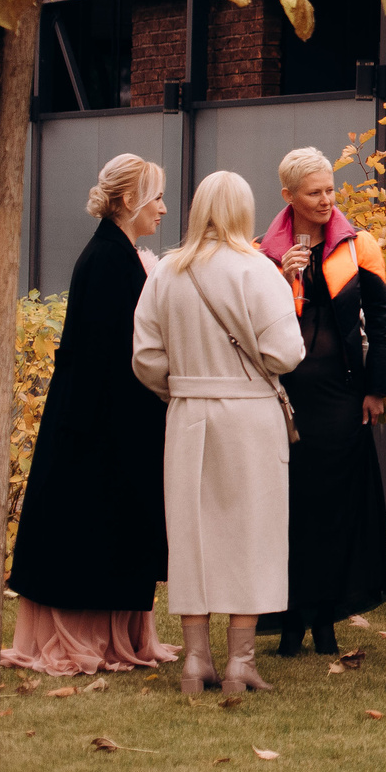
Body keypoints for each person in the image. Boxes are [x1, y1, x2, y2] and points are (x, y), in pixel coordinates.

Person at [133, 169, 306, 695]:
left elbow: (146, 357)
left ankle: (194, 662)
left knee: (193, 536)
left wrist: (183, 387)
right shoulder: (260, 271)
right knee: (251, 535)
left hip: (188, 415)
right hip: (250, 415)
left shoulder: (165, 273)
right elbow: (286, 353)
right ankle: (240, 663)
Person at [5, 154, 179, 675]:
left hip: (108, 419)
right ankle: (88, 637)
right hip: (101, 425)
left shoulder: (116, 254)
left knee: (116, 525)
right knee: (97, 524)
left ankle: (115, 633)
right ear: (128, 201)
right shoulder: (107, 259)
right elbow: (108, 352)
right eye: (156, 198)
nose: (164, 209)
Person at [259, 146, 386, 657]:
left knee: (336, 508)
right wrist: (278, 277)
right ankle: (293, 620)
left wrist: (376, 390)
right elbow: (253, 327)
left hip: (342, 397)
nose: (326, 200)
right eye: (314, 192)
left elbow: (381, 328)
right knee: (290, 510)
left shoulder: (361, 244)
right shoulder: (261, 251)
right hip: (285, 399)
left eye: (330, 190)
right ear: (288, 196)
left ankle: (328, 622)